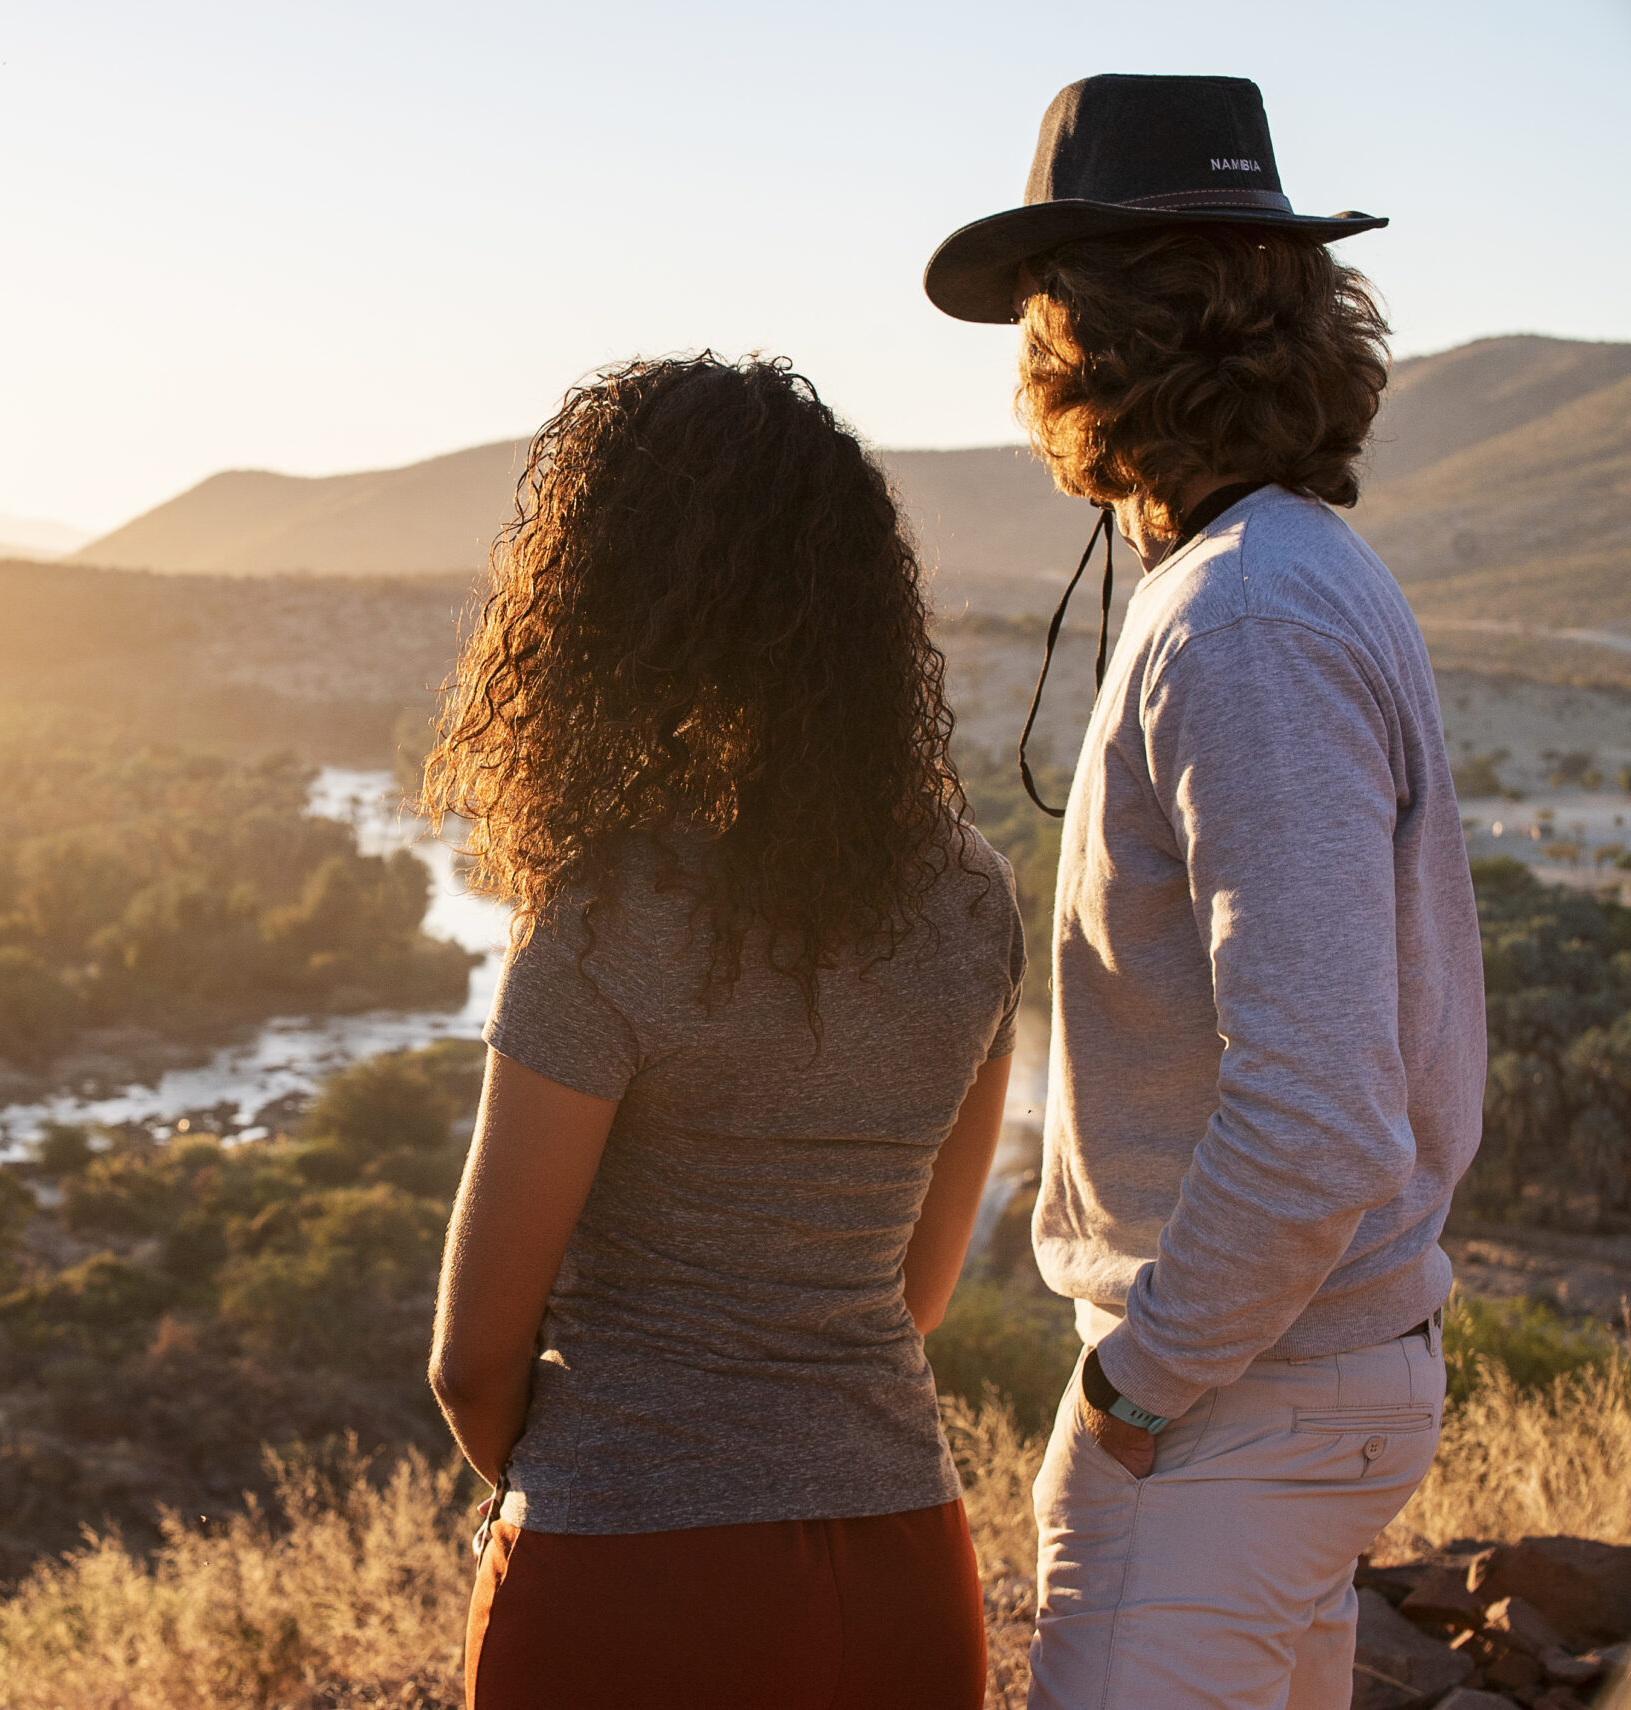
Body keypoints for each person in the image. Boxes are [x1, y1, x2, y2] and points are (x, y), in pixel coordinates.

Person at [923, 75, 1487, 1709]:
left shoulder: (1243, 627)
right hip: (1287, 1388)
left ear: (1087, 344)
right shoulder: (1284, 581)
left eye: (1041, 308)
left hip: (1236, 1413)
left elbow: (1316, 1106)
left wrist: (1137, 1389)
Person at [421, 353, 1025, 1709]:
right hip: (901, 1567)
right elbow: (910, 1294)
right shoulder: (970, 893)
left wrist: (594, 1477)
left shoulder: (608, 911)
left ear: (607, 607)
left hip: (629, 1578)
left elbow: (471, 1361)